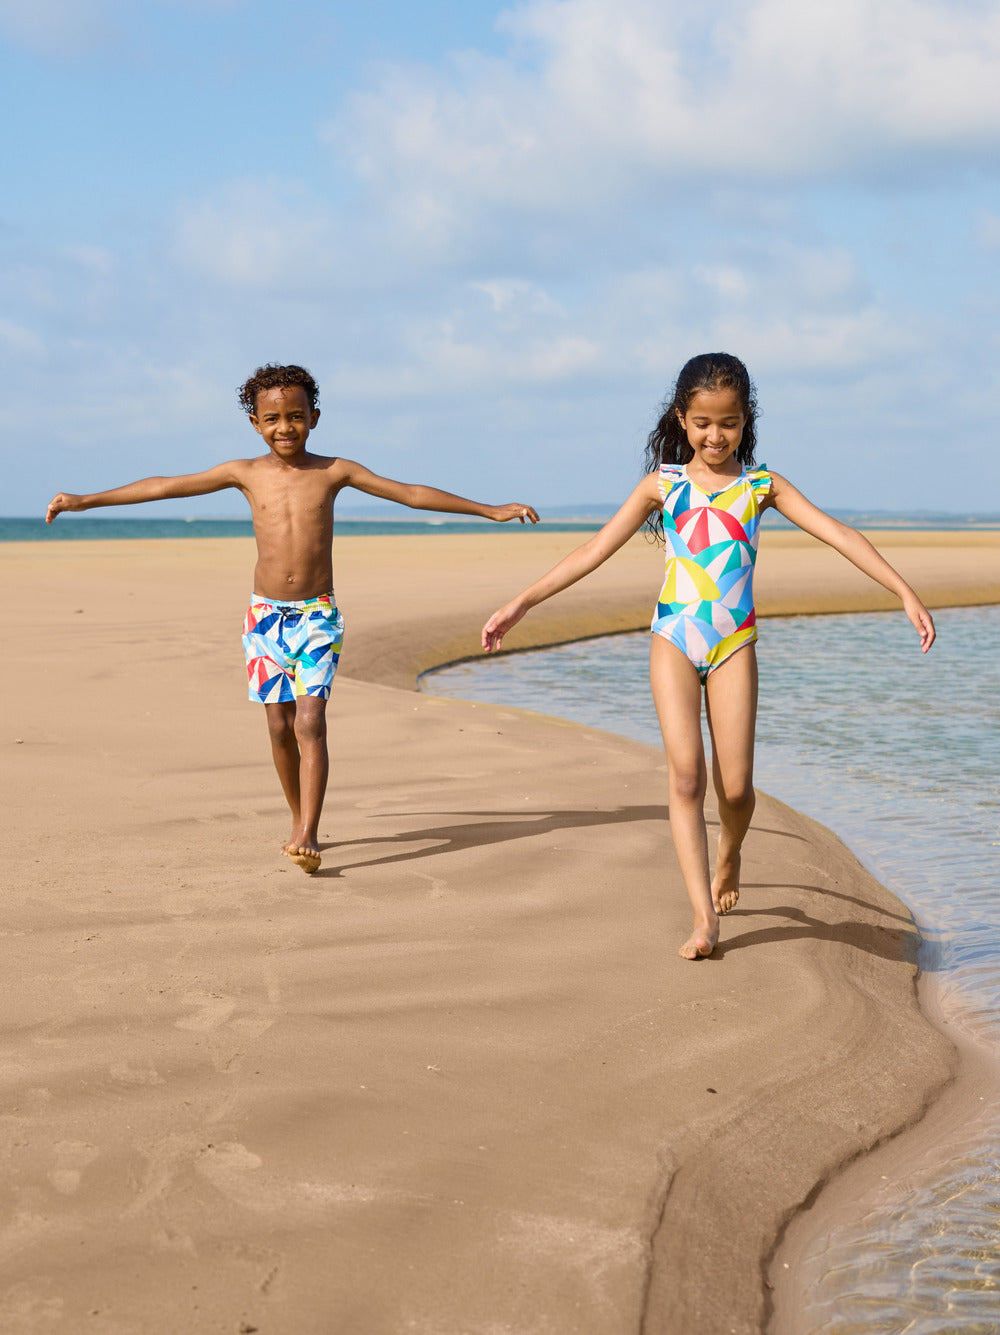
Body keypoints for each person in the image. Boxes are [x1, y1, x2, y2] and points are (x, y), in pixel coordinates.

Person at [482, 352, 935, 960]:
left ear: (746, 421)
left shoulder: (761, 487)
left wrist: (904, 592)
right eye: (701, 423)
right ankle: (704, 919)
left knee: (738, 788)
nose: (714, 436)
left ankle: (730, 853)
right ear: (681, 417)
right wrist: (522, 603)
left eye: (727, 423)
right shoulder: (663, 484)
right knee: (688, 776)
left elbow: (840, 533)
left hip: (733, 645)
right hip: (673, 638)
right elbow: (593, 550)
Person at [47, 362, 539, 875]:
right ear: (256, 424)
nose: (286, 427)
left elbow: (410, 493)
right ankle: (298, 817)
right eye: (273, 418)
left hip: (316, 616)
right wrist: (85, 500)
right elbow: (166, 487)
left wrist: (491, 509)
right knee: (279, 726)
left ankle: (307, 834)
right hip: (263, 620)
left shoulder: (335, 471)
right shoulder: (244, 472)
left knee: (310, 722)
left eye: (296, 416)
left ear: (315, 417)